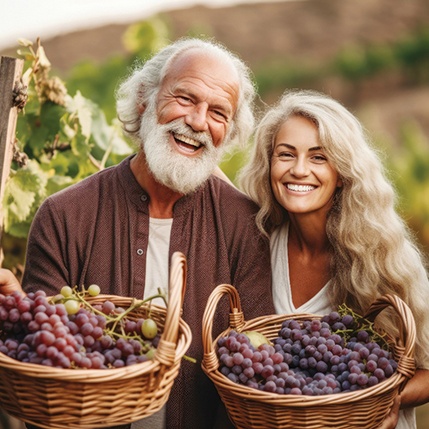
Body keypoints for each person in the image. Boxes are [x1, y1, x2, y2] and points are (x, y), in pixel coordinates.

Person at [0, 37, 275, 429]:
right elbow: (45, 366)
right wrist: (18, 317)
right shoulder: (64, 215)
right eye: (184, 98)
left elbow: (253, 379)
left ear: (227, 132)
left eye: (218, 112)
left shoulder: (244, 226)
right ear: (146, 99)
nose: (197, 121)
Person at [237, 88, 429, 429]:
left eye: (318, 157)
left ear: (341, 173)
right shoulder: (260, 248)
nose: (299, 169)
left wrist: (387, 401)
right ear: (269, 165)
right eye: (286, 154)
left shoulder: (384, 257)